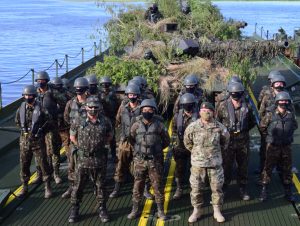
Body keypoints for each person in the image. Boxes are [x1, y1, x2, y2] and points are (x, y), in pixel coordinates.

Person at [68, 96, 113, 223]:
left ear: (99, 108)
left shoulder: (105, 121)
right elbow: (72, 137)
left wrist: (99, 145)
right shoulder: (78, 121)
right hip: (83, 160)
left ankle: (102, 209)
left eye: (95, 107)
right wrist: (82, 148)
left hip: (99, 159)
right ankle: (75, 209)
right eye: (90, 107)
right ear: (85, 107)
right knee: (78, 186)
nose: (92, 109)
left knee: (100, 186)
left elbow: (110, 136)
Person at [184, 102, 229, 223]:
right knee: (196, 189)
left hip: (215, 165)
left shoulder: (220, 127)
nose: (206, 112)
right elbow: (187, 143)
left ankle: (217, 210)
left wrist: (214, 154)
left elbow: (225, 142)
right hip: (198, 164)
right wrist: (198, 153)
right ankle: (197, 210)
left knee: (217, 189)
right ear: (199, 112)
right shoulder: (192, 127)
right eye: (203, 110)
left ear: (213, 112)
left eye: (208, 110)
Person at [127, 99, 170, 220]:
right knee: (137, 186)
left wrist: (156, 150)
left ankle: (161, 211)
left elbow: (166, 141)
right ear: (141, 111)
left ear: (154, 111)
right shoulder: (136, 124)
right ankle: (135, 210)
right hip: (140, 161)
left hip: (155, 161)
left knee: (157, 186)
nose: (147, 112)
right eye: (144, 110)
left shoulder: (159, 125)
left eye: (150, 110)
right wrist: (139, 150)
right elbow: (131, 139)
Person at [216, 82, 256, 200]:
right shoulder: (223, 106)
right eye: (234, 94)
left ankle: (243, 189)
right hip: (228, 142)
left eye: (238, 94)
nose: (236, 96)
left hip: (243, 142)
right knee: (226, 166)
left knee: (243, 166)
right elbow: (217, 122)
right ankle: (224, 189)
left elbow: (252, 122)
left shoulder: (247, 107)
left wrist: (243, 131)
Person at [259, 92, 298, 202]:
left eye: (286, 101)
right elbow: (262, 127)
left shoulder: (291, 114)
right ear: (277, 102)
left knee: (287, 169)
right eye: (281, 101)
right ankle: (264, 190)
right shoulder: (270, 114)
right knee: (268, 168)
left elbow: (294, 126)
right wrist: (270, 138)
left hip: (286, 146)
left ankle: (288, 192)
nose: (283, 103)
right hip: (273, 146)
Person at [15, 85, 52, 198]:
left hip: (38, 141)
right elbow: (17, 121)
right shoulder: (21, 109)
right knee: (24, 164)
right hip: (24, 141)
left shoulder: (41, 108)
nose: (28, 97)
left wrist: (41, 131)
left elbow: (49, 121)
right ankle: (24, 186)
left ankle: (47, 186)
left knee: (43, 163)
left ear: (34, 96)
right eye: (26, 95)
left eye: (30, 95)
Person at [109, 84, 142, 198]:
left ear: (138, 95)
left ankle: (145, 189)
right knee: (121, 164)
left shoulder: (143, 108)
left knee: (140, 165)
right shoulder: (123, 108)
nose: (132, 96)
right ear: (127, 95)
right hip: (125, 141)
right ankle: (117, 187)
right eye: (130, 94)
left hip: (139, 142)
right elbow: (117, 120)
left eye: (134, 95)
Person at [62, 77, 89, 199]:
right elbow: (66, 117)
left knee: (90, 163)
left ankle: (92, 184)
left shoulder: (92, 103)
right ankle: (72, 186)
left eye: (81, 89)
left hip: (88, 138)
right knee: (72, 163)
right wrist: (74, 128)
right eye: (77, 89)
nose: (79, 92)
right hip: (74, 138)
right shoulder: (70, 103)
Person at [35, 71, 63, 184]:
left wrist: (56, 114)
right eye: (38, 81)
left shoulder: (52, 92)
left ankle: (56, 173)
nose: (40, 82)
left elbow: (63, 103)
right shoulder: (34, 93)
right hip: (38, 126)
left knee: (54, 150)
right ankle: (39, 174)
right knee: (38, 151)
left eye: (42, 81)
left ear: (46, 81)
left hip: (51, 125)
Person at [172, 93, 199, 199]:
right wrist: (175, 145)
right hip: (181, 147)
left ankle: (196, 189)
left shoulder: (199, 116)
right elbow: (174, 130)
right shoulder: (177, 117)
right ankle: (179, 188)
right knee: (179, 169)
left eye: (190, 104)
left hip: (195, 147)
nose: (188, 107)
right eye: (185, 105)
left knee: (196, 170)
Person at [99, 76, 119, 162]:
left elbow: (117, 106)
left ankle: (113, 155)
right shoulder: (99, 95)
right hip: (102, 118)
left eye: (106, 85)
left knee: (112, 137)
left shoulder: (113, 94)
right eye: (104, 85)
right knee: (101, 137)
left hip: (111, 118)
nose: (105, 86)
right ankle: (103, 155)